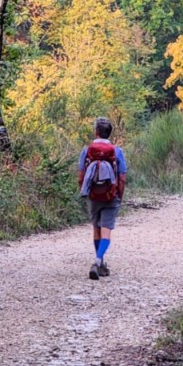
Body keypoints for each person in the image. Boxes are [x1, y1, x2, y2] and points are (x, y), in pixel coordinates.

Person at [77, 116, 127, 280]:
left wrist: (85, 192)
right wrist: (119, 196)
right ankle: (98, 261)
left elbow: (81, 176)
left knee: (96, 228)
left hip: (93, 195)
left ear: (96, 132)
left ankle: (100, 262)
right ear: (109, 133)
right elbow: (122, 178)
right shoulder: (117, 151)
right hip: (110, 195)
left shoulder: (87, 151)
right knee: (106, 230)